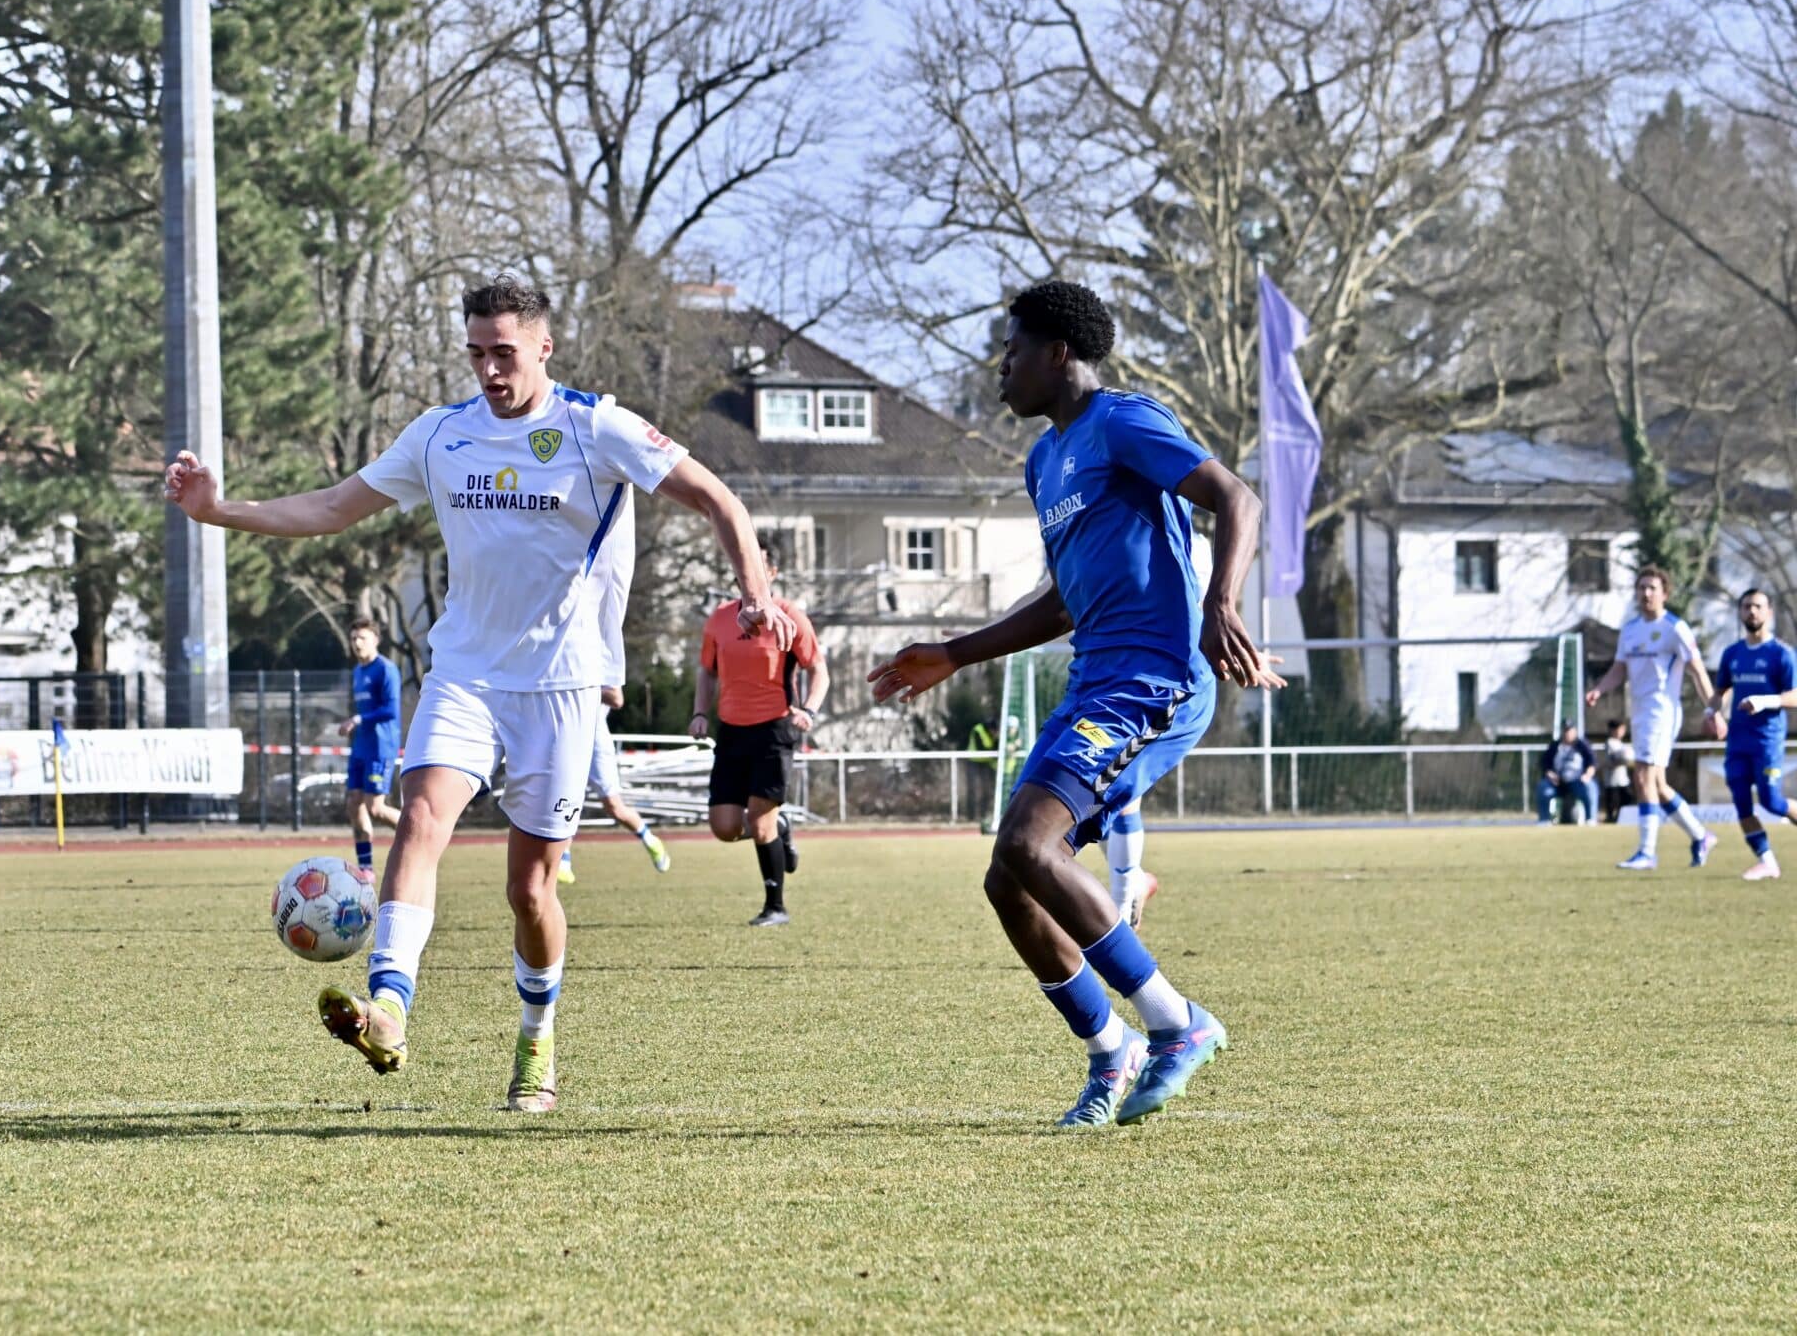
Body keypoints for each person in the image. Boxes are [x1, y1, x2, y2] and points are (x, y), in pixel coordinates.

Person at [164, 275, 792, 1113]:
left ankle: (537, 1040)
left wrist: (754, 590)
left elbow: (718, 498)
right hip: (464, 673)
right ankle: (390, 1008)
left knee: (530, 891)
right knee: (420, 817)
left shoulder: (596, 427)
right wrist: (218, 511)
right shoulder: (440, 434)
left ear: (544, 346)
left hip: (560, 688)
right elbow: (333, 506)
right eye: (475, 353)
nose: (490, 370)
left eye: (504, 352)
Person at [869, 280, 1281, 1129]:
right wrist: (954, 652)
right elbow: (1063, 602)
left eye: (1012, 349)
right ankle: (1110, 1047)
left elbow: (1237, 496)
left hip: (1156, 680)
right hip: (1095, 680)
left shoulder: (1123, 421)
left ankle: (1176, 1022)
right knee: (1010, 875)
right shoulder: (1044, 461)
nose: (1000, 368)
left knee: (1031, 841)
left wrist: (1221, 601)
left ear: (1059, 353)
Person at [690, 556, 827, 926]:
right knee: (725, 828)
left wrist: (809, 710)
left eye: (759, 564)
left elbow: (819, 670)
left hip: (775, 730)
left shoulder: (790, 616)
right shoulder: (720, 618)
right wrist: (700, 712)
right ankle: (781, 828)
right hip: (731, 730)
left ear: (773, 573)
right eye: (744, 563)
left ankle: (775, 907)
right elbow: (706, 672)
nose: (749, 571)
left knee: (760, 821)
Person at [1584, 566, 1718, 870]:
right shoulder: (1630, 630)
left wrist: (1713, 710)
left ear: (1665, 594)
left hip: (1662, 712)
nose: (1646, 593)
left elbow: (1697, 671)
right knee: (1656, 784)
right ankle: (1700, 836)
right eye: (1641, 587)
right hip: (1640, 712)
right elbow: (1620, 669)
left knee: (1642, 776)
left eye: (1652, 588)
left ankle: (1647, 852)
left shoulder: (1675, 628)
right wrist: (1599, 690)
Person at [1708, 589, 1797, 879]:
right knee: (1741, 802)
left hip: (1766, 740)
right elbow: (1720, 692)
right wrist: (1711, 712)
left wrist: (1766, 701)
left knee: (1772, 802)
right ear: (1740, 612)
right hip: (1737, 741)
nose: (1752, 611)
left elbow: (1795, 695)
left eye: (1758, 606)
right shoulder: (1732, 653)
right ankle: (1767, 861)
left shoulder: (1781, 654)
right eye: (1747, 606)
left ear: (1769, 612)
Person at [556, 685, 671, 883]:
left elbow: (616, 698)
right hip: (566, 733)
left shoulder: (604, 663)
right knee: (566, 798)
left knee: (614, 806)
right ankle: (563, 859)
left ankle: (651, 840)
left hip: (596, 738)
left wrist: (580, 686)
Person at [337, 618, 404, 877]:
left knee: (375, 807)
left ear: (375, 640)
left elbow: (391, 710)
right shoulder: (358, 671)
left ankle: (418, 833)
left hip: (380, 746)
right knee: (354, 804)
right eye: (353, 638)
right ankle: (365, 869)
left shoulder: (386, 669)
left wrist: (357, 719)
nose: (357, 643)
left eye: (362, 638)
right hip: (361, 747)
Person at [1535, 721, 1598, 825]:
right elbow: (1545, 764)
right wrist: (1550, 775)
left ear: (1575, 731)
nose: (1567, 733)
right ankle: (1544, 820)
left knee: (1590, 787)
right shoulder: (1555, 745)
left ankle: (1591, 819)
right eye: (1565, 730)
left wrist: (1587, 775)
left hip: (1578, 782)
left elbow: (1592, 763)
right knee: (1543, 787)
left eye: (1569, 730)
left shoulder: (1582, 745)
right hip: (1557, 783)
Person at [1599, 720, 1633, 823]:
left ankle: (1621, 818)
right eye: (1620, 729)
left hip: (1622, 779)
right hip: (1612, 779)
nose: (1623, 732)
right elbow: (1614, 758)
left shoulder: (1621, 743)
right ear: (1612, 730)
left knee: (1626, 799)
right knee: (1612, 801)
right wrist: (1625, 760)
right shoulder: (1610, 742)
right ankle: (1610, 818)